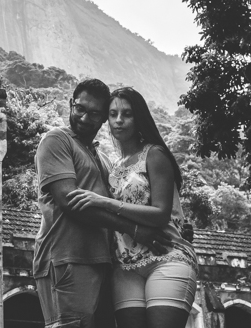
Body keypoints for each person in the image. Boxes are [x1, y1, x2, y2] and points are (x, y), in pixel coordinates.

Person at [33, 78, 164, 328]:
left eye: (94, 113)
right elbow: (70, 201)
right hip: (66, 260)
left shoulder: (102, 159)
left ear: (104, 118)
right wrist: (134, 229)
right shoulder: (56, 141)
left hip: (103, 263)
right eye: (80, 108)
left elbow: (129, 202)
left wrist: (172, 226)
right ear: (71, 104)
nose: (84, 118)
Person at [67, 86, 198, 328]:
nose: (119, 120)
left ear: (139, 117)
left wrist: (104, 202)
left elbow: (160, 214)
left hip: (165, 257)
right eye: (113, 114)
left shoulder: (155, 154)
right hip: (125, 267)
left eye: (127, 114)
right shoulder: (113, 166)